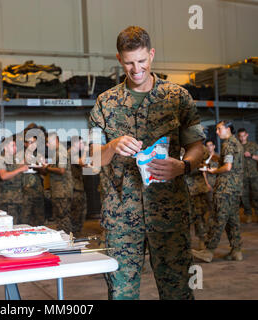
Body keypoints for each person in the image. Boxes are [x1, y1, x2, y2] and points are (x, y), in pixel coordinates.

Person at [89, 26, 205, 300]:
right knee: (121, 294)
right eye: (129, 62)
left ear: (151, 55)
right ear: (119, 59)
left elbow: (197, 146)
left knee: (178, 291)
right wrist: (111, 146)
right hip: (122, 219)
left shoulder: (178, 98)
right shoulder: (105, 103)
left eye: (142, 61)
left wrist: (183, 165)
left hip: (169, 214)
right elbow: (90, 161)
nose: (136, 68)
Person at [192, 121, 244, 262]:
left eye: (219, 129)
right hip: (235, 189)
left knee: (217, 219)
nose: (217, 132)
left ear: (228, 129)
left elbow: (227, 167)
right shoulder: (237, 144)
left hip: (225, 188)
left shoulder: (228, 144)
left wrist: (215, 170)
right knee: (233, 220)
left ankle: (208, 251)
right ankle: (236, 250)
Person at [45, 132, 74, 234]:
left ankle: (66, 239)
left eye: (48, 142)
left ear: (55, 141)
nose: (47, 145)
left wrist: (47, 168)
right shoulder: (57, 152)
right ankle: (64, 238)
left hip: (62, 191)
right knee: (60, 217)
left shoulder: (61, 152)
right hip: (58, 190)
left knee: (63, 217)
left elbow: (61, 170)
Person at [0, 135, 27, 224]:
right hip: (8, 200)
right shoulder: (1, 160)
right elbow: (3, 176)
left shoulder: (15, 159)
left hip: (19, 198)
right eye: (12, 145)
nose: (15, 148)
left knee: (21, 225)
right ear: (5, 147)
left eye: (15, 145)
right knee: (11, 225)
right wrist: (20, 169)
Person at [185, 145, 209, 250]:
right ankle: (185, 243)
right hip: (183, 188)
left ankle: (202, 239)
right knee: (185, 217)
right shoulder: (177, 147)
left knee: (200, 215)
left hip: (198, 188)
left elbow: (206, 164)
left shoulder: (201, 148)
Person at [21, 126, 46, 226]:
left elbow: (44, 171)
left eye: (34, 142)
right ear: (25, 143)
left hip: (38, 189)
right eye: (30, 142)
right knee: (25, 217)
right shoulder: (20, 155)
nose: (32, 145)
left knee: (39, 217)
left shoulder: (39, 155)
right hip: (24, 190)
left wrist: (41, 168)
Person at [237, 128, 258, 223]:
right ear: (238, 136)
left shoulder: (253, 145)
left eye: (243, 135)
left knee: (256, 194)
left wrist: (251, 155)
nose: (242, 138)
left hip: (254, 174)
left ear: (247, 135)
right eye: (240, 136)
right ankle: (248, 214)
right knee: (244, 196)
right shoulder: (237, 147)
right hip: (242, 175)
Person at [68, 136, 89, 235]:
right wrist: (86, 150)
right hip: (74, 188)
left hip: (78, 186)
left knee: (80, 213)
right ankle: (74, 236)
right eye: (81, 143)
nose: (83, 145)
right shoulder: (71, 153)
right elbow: (83, 163)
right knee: (76, 214)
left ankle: (76, 234)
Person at [203, 139, 220, 233]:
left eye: (210, 145)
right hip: (209, 183)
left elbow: (222, 170)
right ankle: (211, 224)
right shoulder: (204, 158)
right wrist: (206, 184)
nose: (209, 147)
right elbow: (203, 172)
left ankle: (217, 223)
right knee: (210, 204)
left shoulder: (218, 157)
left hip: (217, 183)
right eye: (207, 145)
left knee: (217, 204)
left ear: (214, 146)